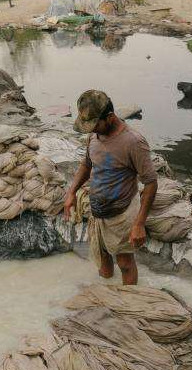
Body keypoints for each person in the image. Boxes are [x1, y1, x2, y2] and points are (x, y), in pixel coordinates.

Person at [64, 90, 157, 285]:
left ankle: (128, 303)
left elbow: (150, 183)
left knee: (124, 263)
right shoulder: (94, 137)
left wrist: (139, 224)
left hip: (122, 214)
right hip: (98, 213)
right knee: (103, 259)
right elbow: (87, 164)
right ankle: (106, 291)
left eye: (95, 124)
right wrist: (71, 192)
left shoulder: (133, 142)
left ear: (110, 117)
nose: (91, 130)